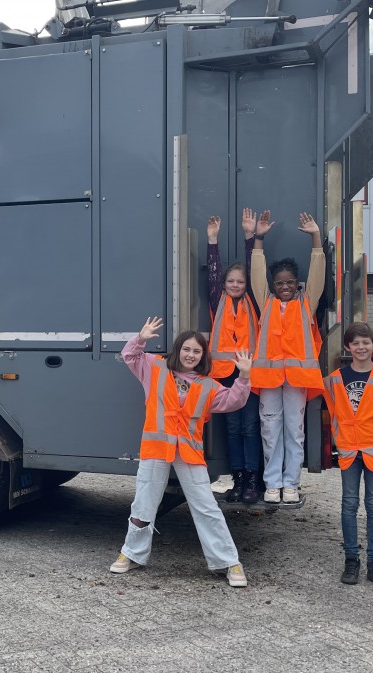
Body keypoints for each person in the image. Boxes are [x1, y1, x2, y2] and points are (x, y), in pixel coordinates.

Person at [109, 317, 253, 587]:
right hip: (156, 448)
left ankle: (229, 562)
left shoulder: (209, 385)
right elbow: (129, 355)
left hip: (188, 453)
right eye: (186, 349)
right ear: (178, 350)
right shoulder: (154, 367)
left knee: (206, 508)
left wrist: (244, 376)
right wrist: (141, 337)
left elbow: (236, 400)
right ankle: (131, 554)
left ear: (202, 356)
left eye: (197, 351)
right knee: (144, 503)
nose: (191, 355)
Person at [249, 210, 326, 504]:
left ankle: (291, 484)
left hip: (297, 379)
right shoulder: (265, 303)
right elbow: (257, 274)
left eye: (290, 283)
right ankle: (273, 484)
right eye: (279, 283)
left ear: (298, 284)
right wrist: (258, 239)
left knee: (295, 431)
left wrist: (316, 238)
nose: (284, 287)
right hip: (268, 378)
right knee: (270, 431)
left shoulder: (307, 303)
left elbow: (317, 274)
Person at [325, 322, 373, 589]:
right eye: (355, 343)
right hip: (348, 449)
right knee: (348, 505)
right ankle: (351, 561)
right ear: (348, 346)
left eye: (365, 343)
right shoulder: (335, 379)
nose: (360, 347)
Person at [206, 211, 263, 503]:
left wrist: (249, 237)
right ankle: (238, 479)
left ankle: (253, 480)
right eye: (231, 281)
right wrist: (212, 240)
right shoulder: (219, 301)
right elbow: (213, 275)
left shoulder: (253, 300)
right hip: (224, 373)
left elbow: (255, 273)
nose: (236, 285)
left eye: (240, 281)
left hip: (248, 371)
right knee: (231, 427)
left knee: (250, 426)